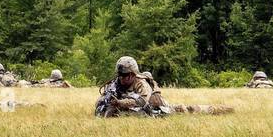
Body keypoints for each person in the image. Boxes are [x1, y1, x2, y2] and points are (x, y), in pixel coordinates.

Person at [95, 56, 232, 117]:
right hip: (132, 108)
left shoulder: (141, 83)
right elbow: (100, 103)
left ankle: (220, 109)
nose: (122, 78)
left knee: (187, 110)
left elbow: (141, 101)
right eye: (120, 75)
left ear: (133, 74)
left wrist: (120, 103)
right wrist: (105, 102)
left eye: (125, 75)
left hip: (157, 107)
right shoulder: (116, 84)